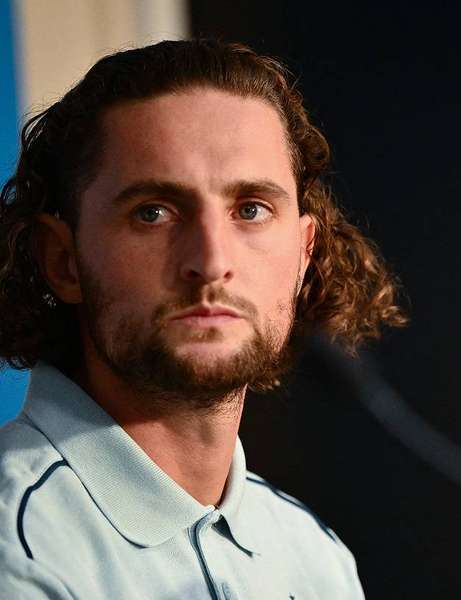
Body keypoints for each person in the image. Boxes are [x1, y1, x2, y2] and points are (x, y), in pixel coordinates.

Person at [0, 39, 405, 599]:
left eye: (251, 210)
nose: (211, 262)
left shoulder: (316, 557)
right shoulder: (16, 550)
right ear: (63, 261)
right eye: (154, 213)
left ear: (303, 253)